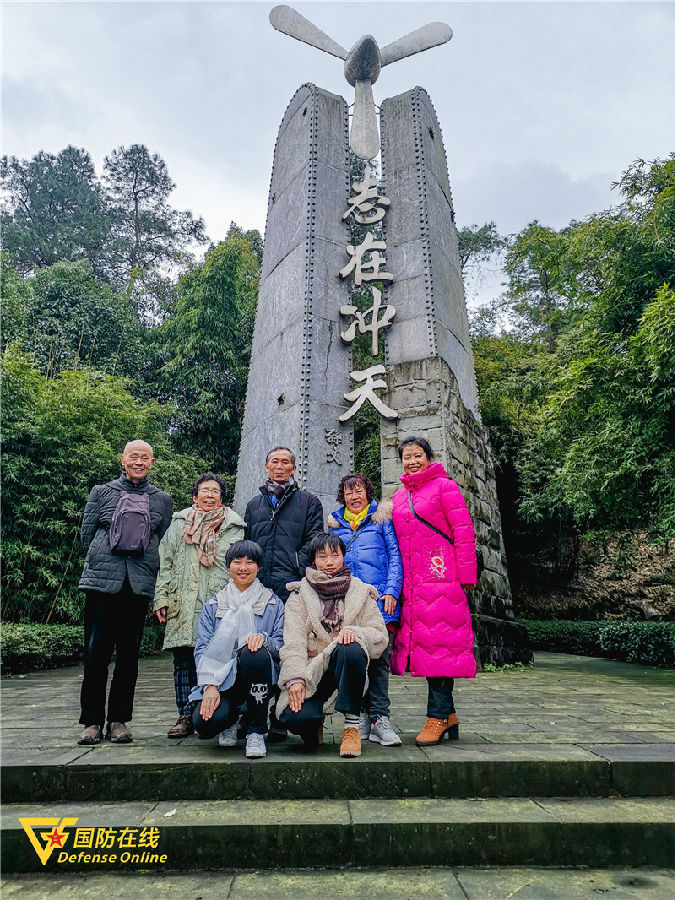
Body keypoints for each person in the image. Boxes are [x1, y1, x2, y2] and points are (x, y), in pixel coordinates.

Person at [77, 439, 172, 745]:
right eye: (133, 457)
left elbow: (162, 540)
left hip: (138, 583)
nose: (138, 462)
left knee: (129, 656)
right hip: (102, 583)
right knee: (96, 654)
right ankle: (92, 721)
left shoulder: (162, 499)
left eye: (145, 457)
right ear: (123, 459)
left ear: (152, 463)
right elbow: (86, 535)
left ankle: (119, 720)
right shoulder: (102, 492)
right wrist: (103, 563)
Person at [390, 436, 477, 746]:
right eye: (407, 457)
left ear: (429, 457)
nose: (412, 461)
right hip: (412, 585)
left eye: (418, 455)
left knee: (440, 646)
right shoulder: (398, 497)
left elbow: (464, 532)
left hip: (442, 578)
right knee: (427, 648)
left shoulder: (445, 487)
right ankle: (448, 715)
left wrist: (466, 577)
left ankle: (436, 717)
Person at [277, 533, 388, 758]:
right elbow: (294, 642)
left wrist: (355, 632)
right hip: (315, 670)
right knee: (294, 717)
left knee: (350, 646)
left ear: (343, 557)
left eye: (335, 555)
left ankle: (351, 726)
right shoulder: (299, 594)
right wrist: (295, 678)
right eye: (322, 556)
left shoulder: (360, 591)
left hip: (349, 666)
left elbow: (380, 635)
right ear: (313, 560)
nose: (329, 562)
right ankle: (313, 724)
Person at [153, 472, 245, 738]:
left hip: (218, 603)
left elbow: (240, 567)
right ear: (195, 497)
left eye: (215, 491)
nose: (209, 495)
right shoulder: (179, 524)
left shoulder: (234, 527)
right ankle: (185, 714)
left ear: (222, 497)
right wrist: (161, 597)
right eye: (205, 491)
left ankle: (217, 714)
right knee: (184, 661)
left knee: (220, 657)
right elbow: (165, 562)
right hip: (183, 599)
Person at [244, 446, 324, 739]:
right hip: (260, 588)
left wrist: (295, 565)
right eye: (274, 462)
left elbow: (314, 540)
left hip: (292, 586)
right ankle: (253, 713)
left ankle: (281, 717)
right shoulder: (254, 504)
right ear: (266, 467)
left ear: (293, 468)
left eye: (285, 462)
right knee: (258, 646)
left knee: (291, 647)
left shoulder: (308, 501)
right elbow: (248, 543)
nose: (280, 466)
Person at [190, 540, 284, 759]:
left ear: (258, 567)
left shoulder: (272, 603)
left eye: (250, 562)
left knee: (255, 652)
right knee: (205, 723)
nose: (243, 568)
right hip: (222, 678)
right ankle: (231, 720)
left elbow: (282, 646)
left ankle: (256, 731)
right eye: (237, 562)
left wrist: (264, 640)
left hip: (259, 674)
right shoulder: (214, 604)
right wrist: (210, 684)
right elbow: (202, 648)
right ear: (228, 566)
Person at [327, 473, 403, 746]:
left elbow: (395, 557)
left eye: (358, 491)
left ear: (367, 493)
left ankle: (380, 717)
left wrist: (391, 591)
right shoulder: (336, 526)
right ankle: (360, 714)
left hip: (379, 600)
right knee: (356, 657)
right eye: (349, 493)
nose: (354, 497)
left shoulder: (381, 520)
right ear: (343, 497)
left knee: (380, 660)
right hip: (349, 603)